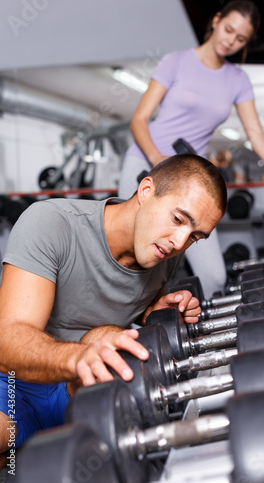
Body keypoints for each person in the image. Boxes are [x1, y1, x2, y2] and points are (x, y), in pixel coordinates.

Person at [0, 154, 227, 465]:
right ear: (147, 190)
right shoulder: (51, 223)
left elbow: (131, 308)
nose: (179, 242)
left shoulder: (165, 254)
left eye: (194, 238)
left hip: (84, 401)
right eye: (178, 219)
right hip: (15, 386)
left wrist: (154, 313)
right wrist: (78, 358)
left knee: (105, 336)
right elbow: (7, 340)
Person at [118, 0, 264, 299]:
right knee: (131, 261)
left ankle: (184, 338)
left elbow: (257, 136)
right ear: (216, 20)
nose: (230, 40)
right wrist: (159, 161)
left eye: (240, 38)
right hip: (146, 164)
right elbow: (139, 120)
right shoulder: (176, 61)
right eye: (228, 29)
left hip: (192, 178)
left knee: (213, 275)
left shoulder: (238, 80)